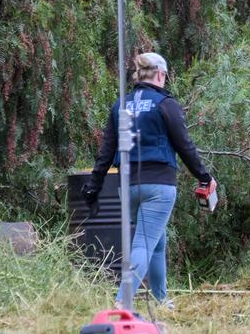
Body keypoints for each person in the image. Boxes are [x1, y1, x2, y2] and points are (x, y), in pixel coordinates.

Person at [81, 52, 216, 308]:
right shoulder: (166, 104)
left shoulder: (120, 105)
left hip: (127, 186)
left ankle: (160, 298)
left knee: (156, 240)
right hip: (159, 186)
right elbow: (184, 146)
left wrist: (94, 186)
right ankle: (122, 303)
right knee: (144, 242)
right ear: (160, 75)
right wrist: (204, 177)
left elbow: (106, 152)